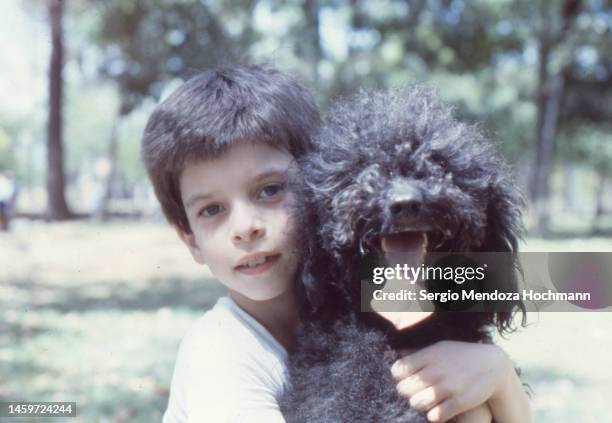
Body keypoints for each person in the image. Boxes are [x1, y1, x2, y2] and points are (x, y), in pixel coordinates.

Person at [141, 64, 531, 423]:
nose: (245, 227)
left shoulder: (366, 304)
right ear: (189, 240)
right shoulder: (219, 356)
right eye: (212, 210)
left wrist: (500, 377)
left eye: (271, 190)